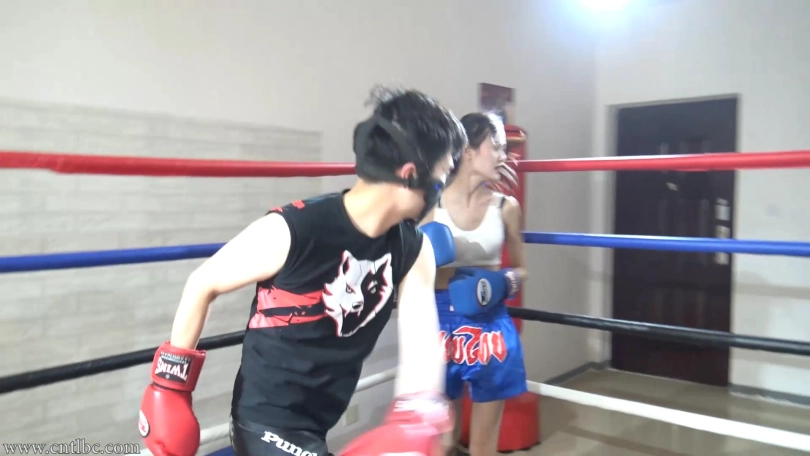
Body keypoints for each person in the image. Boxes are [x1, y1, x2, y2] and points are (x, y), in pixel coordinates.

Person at [137, 86, 469, 456]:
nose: (442, 190)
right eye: (443, 174)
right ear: (409, 174)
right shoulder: (295, 229)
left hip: (318, 421)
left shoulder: (414, 249)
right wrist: (170, 387)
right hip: (263, 421)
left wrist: (417, 415)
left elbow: (421, 342)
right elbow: (203, 282)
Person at [420, 112, 528, 456]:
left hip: (490, 324)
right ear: (468, 151)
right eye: (496, 146)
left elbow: (522, 270)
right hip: (439, 322)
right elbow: (409, 273)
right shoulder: (429, 206)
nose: (503, 156)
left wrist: (502, 283)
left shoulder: (506, 207)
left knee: (483, 446)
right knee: (441, 443)